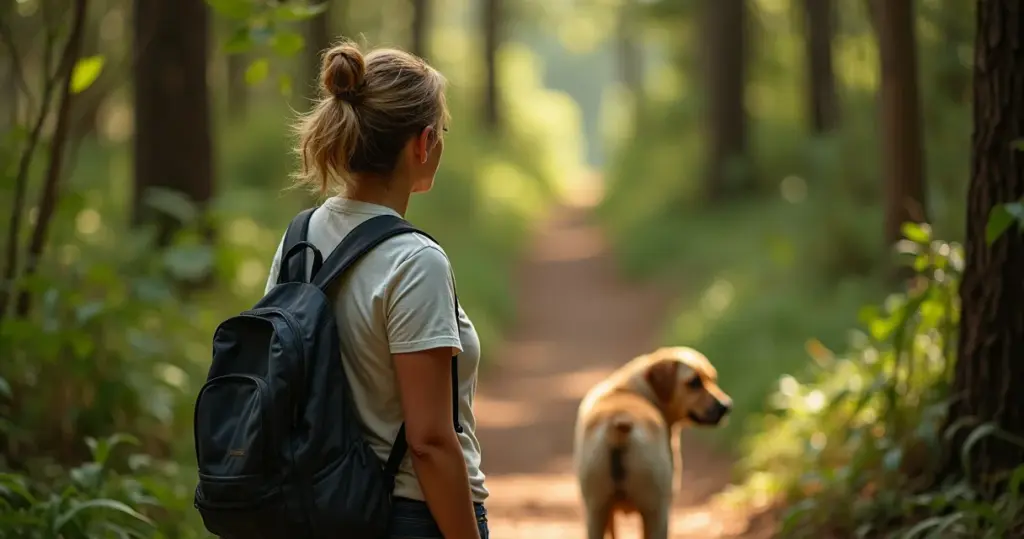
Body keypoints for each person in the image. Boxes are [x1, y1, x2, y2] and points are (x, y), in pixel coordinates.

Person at [264, 41, 489, 539]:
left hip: (316, 510)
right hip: (410, 515)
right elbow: (430, 441)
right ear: (422, 142)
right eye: (442, 132)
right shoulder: (415, 263)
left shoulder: (299, 240)